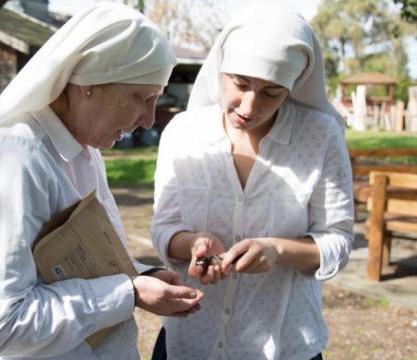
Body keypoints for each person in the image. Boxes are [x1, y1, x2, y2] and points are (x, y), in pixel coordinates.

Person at [0, 3, 203, 359]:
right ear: (89, 83)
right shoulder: (12, 162)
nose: (149, 121)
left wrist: (143, 275)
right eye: (140, 98)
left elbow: (84, 263)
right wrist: (127, 293)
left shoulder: (83, 154)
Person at [150, 4, 354, 360]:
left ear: (294, 85)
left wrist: (277, 250)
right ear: (220, 69)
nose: (249, 104)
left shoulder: (319, 136)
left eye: (271, 92)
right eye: (240, 84)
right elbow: (165, 227)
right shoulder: (184, 133)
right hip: (192, 339)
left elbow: (337, 240)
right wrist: (193, 245)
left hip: (284, 343)